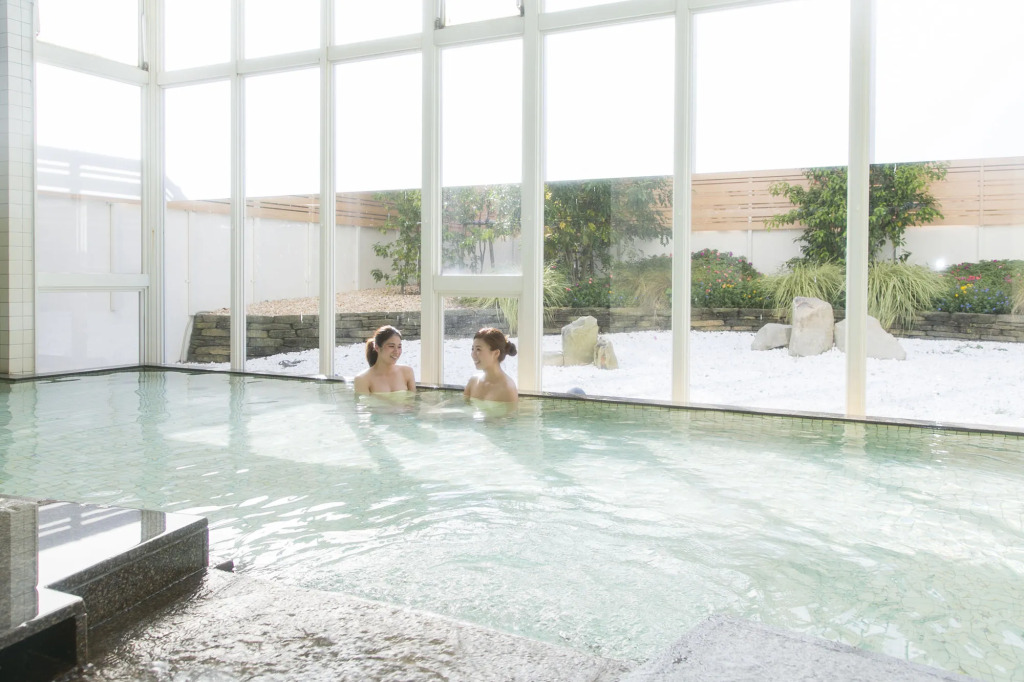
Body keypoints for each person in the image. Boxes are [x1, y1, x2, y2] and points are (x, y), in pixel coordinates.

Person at [353, 325, 416, 395]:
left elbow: (412, 400)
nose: (396, 351)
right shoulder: (363, 379)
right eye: (391, 346)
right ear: (377, 348)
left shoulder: (407, 372)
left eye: (399, 347)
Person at [464, 327, 518, 404]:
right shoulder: (473, 382)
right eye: (472, 349)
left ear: (496, 353)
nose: (473, 354)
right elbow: (465, 407)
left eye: (478, 349)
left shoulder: (507, 389)